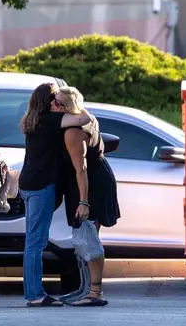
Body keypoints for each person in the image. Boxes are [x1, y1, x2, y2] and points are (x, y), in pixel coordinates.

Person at [19, 82, 91, 307]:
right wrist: (78, 106)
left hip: (28, 184)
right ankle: (35, 295)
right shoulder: (50, 120)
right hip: (41, 186)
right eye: (52, 99)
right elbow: (83, 119)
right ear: (45, 101)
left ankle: (33, 292)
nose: (54, 103)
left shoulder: (31, 121)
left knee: (32, 240)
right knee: (36, 242)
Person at [54, 86, 120, 306]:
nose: (52, 104)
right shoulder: (82, 118)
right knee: (83, 238)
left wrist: (84, 201)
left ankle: (95, 293)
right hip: (89, 180)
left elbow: (81, 168)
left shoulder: (74, 131)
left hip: (90, 184)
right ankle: (85, 290)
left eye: (57, 102)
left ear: (67, 107)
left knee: (89, 237)